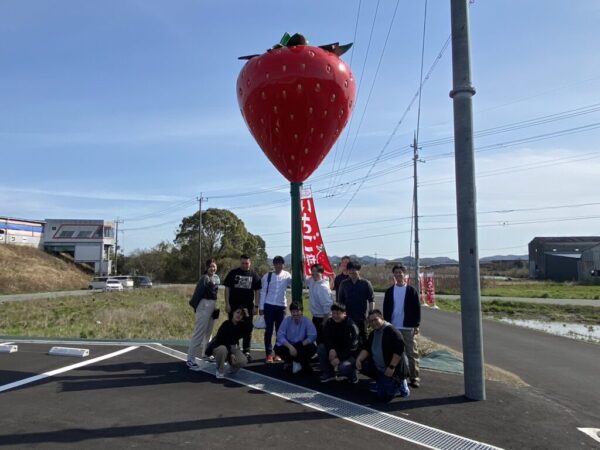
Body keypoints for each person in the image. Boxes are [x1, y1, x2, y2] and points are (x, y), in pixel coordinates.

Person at [355, 309, 410, 402]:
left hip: (392, 369)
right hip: (380, 367)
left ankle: (400, 382)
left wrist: (391, 367)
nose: (373, 323)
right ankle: (381, 382)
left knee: (384, 397)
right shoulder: (373, 333)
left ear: (382, 318)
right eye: (371, 321)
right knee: (363, 365)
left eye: (375, 319)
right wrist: (359, 359)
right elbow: (367, 348)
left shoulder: (392, 331)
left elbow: (398, 351)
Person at [383, 264, 421, 388]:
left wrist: (416, 325)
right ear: (393, 275)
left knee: (411, 352)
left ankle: (414, 377)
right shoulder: (389, 291)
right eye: (396, 273)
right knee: (394, 352)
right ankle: (396, 374)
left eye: (400, 272)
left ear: (405, 275)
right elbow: (386, 309)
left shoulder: (411, 290)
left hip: (408, 326)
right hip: (393, 326)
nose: (398, 275)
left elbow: (417, 309)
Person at [223, 254, 262, 361]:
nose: (245, 265)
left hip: (248, 308)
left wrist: (256, 306)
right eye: (243, 263)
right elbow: (227, 289)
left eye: (247, 263)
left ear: (250, 263)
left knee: (248, 329)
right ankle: (233, 350)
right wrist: (227, 304)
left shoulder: (254, 275)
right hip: (234, 307)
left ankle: (247, 351)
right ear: (240, 262)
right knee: (232, 328)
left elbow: (258, 291)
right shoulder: (233, 273)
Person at [186, 259, 220, 371]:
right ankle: (190, 359)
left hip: (212, 306)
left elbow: (215, 295)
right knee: (199, 333)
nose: (213, 268)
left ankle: (206, 354)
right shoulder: (204, 278)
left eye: (214, 266)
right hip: (204, 306)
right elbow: (197, 295)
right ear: (206, 267)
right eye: (210, 266)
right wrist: (197, 308)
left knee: (209, 332)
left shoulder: (215, 278)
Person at [259, 255, 292, 363]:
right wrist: (261, 307)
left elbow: (297, 281)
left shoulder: (287, 275)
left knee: (280, 331)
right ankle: (268, 354)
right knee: (268, 330)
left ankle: (277, 353)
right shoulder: (267, 276)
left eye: (280, 264)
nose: (278, 266)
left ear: (283, 264)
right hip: (269, 305)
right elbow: (263, 292)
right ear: (273, 265)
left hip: (281, 306)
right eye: (276, 263)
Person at [317, 303, 360, 383]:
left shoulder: (351, 326)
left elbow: (353, 348)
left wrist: (339, 358)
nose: (335, 316)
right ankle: (329, 373)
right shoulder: (329, 322)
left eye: (338, 313)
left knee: (343, 368)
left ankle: (352, 372)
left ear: (344, 314)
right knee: (321, 348)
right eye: (333, 313)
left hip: (349, 354)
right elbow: (326, 338)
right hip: (335, 351)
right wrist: (331, 349)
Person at [337, 261, 374, 346]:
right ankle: (350, 357)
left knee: (364, 338)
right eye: (350, 269)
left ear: (359, 270)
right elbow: (340, 302)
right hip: (348, 317)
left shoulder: (366, 283)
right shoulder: (344, 284)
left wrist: (370, 315)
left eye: (354, 269)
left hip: (362, 317)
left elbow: (371, 300)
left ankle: (364, 358)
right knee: (348, 338)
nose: (352, 272)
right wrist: (341, 316)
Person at [205, 306, 248, 379]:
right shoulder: (226, 324)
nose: (239, 315)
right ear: (233, 313)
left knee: (243, 360)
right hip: (219, 346)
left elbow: (248, 330)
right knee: (222, 350)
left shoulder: (240, 326)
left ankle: (232, 369)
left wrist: (247, 317)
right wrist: (230, 354)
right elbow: (221, 340)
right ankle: (219, 371)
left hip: (232, 347)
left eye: (241, 315)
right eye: (237, 312)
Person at [274, 303, 317, 374]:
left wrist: (299, 346)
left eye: (298, 311)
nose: (296, 314)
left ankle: (297, 362)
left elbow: (312, 336)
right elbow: (280, 335)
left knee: (312, 348)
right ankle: (292, 362)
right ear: (291, 312)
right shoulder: (286, 320)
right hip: (289, 345)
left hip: (301, 345)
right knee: (277, 348)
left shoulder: (307, 321)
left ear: (302, 312)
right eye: (293, 312)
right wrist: (290, 347)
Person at [306, 263, 333, 345]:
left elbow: (327, 306)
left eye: (316, 272)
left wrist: (324, 322)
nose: (314, 274)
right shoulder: (312, 281)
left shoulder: (323, 287)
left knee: (323, 340)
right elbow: (305, 278)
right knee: (318, 339)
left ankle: (324, 357)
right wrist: (302, 266)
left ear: (321, 272)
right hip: (316, 317)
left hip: (323, 318)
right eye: (312, 271)